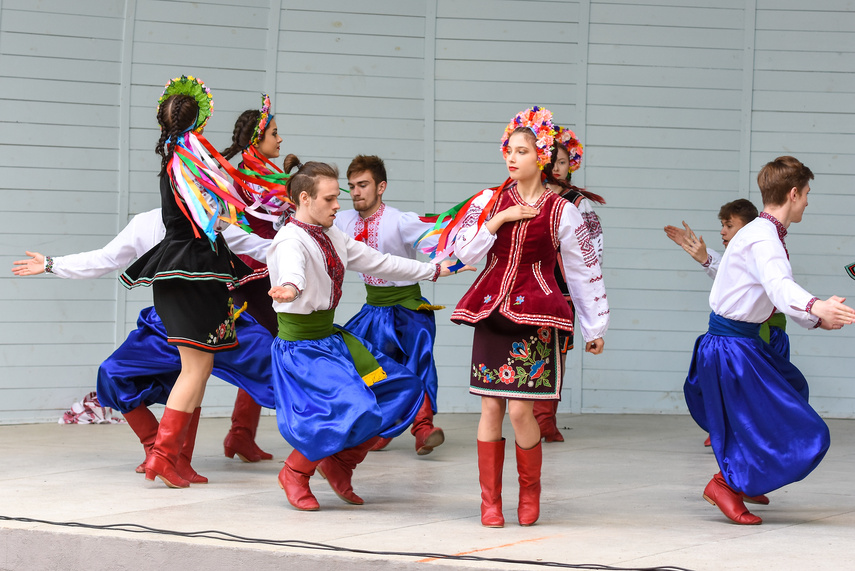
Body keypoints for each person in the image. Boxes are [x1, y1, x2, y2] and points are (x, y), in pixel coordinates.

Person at [11, 209, 276, 476]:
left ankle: (304, 453)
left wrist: (306, 241)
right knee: (112, 373)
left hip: (218, 322)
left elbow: (262, 248)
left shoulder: (213, 220)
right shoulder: (146, 222)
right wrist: (51, 264)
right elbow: (106, 258)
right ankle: (158, 451)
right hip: (167, 324)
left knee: (281, 371)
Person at [267, 159, 461, 511]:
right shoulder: (290, 241)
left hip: (331, 341)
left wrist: (433, 270)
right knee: (351, 407)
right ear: (306, 199)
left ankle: (341, 463)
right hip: (302, 350)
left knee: (404, 389)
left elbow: (379, 261)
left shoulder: (332, 234)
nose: (339, 204)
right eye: (329, 199)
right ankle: (295, 471)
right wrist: (290, 288)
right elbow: (293, 272)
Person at [447, 107, 609, 527]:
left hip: (536, 315)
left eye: (521, 151)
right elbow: (464, 255)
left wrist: (594, 326)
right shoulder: (491, 201)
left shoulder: (562, 210)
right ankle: (490, 502)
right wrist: (498, 220)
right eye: (509, 151)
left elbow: (583, 270)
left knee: (521, 410)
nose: (511, 159)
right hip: (492, 313)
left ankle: (530, 492)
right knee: (490, 409)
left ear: (541, 156)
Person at [683, 156, 855, 525]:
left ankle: (743, 478)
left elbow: (769, 291)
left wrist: (816, 318)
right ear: (793, 194)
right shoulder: (764, 239)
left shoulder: (760, 232)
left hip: (737, 345)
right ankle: (726, 485)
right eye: (807, 193)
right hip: (732, 350)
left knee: (790, 393)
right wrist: (817, 307)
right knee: (807, 432)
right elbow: (779, 287)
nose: (808, 201)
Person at [119, 76, 255, 489]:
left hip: (185, 269)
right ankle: (162, 457)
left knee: (198, 366)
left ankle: (176, 458)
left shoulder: (175, 159)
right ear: (200, 121)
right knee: (195, 369)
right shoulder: (191, 160)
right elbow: (218, 213)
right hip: (194, 269)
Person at [334, 155, 451, 455]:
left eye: (363, 185)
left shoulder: (400, 220)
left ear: (381, 186)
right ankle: (382, 429)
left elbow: (438, 240)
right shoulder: (343, 220)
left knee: (418, 364)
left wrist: (450, 258)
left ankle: (423, 428)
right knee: (370, 367)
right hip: (374, 310)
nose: (356, 192)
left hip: (409, 308)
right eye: (351, 187)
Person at [217, 94, 291, 463]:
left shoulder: (259, 173)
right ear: (257, 140)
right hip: (254, 277)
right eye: (275, 134)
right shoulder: (252, 175)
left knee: (271, 350)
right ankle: (311, 432)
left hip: (256, 273)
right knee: (286, 349)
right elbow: (287, 203)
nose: (280, 140)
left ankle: (240, 435)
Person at [533, 125, 605, 443]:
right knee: (529, 350)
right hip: (530, 285)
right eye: (551, 160)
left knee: (556, 354)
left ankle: (546, 418)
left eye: (562, 161)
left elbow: (593, 251)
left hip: (562, 290)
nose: (556, 167)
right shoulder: (528, 197)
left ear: (570, 164)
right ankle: (531, 415)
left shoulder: (579, 203)